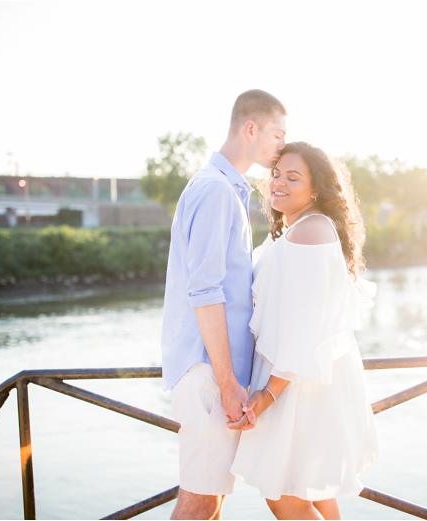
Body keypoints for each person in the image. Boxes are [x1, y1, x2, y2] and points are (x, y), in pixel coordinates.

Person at [228, 142, 379, 520]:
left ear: (316, 189)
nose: (278, 183)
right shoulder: (296, 228)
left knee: (285, 497)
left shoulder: (310, 232)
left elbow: (306, 325)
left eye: (293, 177)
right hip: (301, 374)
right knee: (311, 486)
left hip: (298, 381)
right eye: (276, 174)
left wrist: (269, 393)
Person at [161, 89, 287, 520]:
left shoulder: (228, 189)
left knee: (210, 500)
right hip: (209, 374)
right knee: (199, 502)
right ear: (250, 129)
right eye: (277, 134)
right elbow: (206, 292)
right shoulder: (215, 191)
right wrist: (228, 381)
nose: (281, 146)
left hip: (212, 373)